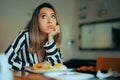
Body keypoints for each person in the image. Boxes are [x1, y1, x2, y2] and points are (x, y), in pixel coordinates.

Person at [4, 2, 63, 70]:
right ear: (36, 21)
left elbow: (59, 68)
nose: (50, 21)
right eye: (44, 16)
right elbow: (4, 61)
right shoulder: (24, 36)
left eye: (53, 16)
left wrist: (50, 39)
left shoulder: (54, 41)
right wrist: (34, 67)